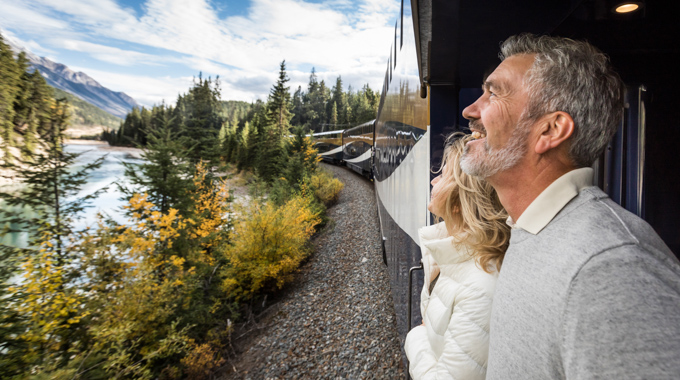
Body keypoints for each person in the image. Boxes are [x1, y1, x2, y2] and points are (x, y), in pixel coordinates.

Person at [460, 33, 680, 379]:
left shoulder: (610, 268)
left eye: (494, 93)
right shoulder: (534, 230)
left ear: (550, 129)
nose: (470, 110)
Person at [404, 133, 510, 379]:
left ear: (458, 202)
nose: (433, 182)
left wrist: (415, 337)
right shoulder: (451, 257)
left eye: (442, 176)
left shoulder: (481, 287)